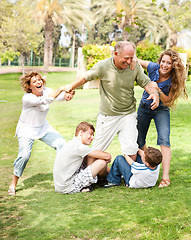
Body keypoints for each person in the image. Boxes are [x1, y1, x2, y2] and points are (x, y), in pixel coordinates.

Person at [64, 41, 159, 168]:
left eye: (132, 58)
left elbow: (146, 82)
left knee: (131, 148)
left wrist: (154, 93)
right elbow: (84, 78)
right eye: (126, 58)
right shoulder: (103, 66)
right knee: (97, 150)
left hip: (128, 114)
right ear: (116, 54)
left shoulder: (134, 66)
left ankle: (129, 177)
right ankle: (88, 179)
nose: (130, 61)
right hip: (108, 116)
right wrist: (70, 87)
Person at [8, 71, 75, 195]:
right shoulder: (27, 98)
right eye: (34, 81)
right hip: (26, 130)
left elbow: (59, 97)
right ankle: (13, 183)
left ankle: (62, 177)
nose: (38, 82)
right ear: (29, 86)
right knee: (24, 156)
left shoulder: (46, 90)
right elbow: (47, 100)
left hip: (43, 128)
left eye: (39, 80)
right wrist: (61, 88)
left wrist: (68, 94)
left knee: (62, 144)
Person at [135, 49, 188, 187]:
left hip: (161, 110)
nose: (164, 65)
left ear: (173, 65)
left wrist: (158, 90)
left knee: (164, 140)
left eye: (168, 63)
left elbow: (168, 101)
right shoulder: (153, 67)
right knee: (139, 140)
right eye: (163, 61)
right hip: (144, 107)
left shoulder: (174, 80)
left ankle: (165, 178)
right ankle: (147, 166)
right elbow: (136, 61)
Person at [53, 121, 111, 194]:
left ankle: (112, 175)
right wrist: (106, 157)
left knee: (91, 157)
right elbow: (107, 156)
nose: (92, 137)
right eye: (90, 134)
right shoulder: (79, 147)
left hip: (60, 185)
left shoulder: (72, 143)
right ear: (81, 133)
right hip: (68, 186)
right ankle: (108, 178)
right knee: (101, 162)